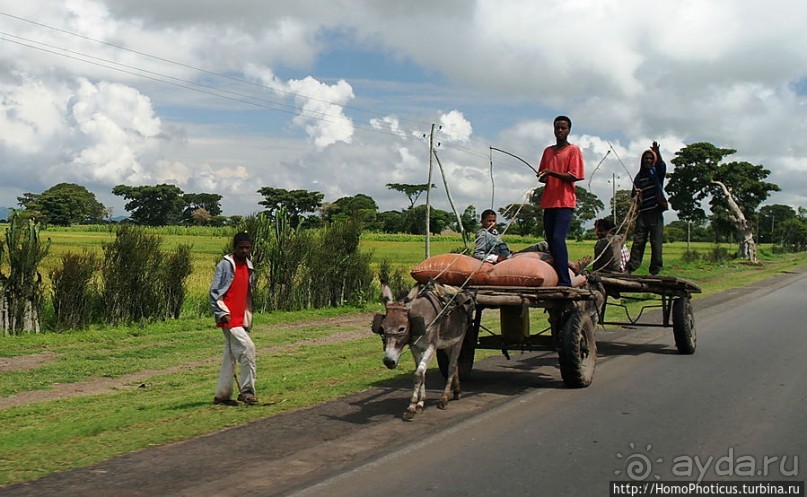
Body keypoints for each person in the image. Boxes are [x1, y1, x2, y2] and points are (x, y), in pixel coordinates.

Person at [209, 232, 258, 405]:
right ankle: (247, 392)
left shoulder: (249, 265)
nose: (244, 251)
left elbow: (246, 293)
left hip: (240, 317)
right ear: (234, 248)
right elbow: (214, 291)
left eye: (247, 247)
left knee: (230, 356)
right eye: (241, 247)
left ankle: (222, 396)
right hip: (228, 317)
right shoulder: (225, 265)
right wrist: (222, 312)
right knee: (248, 348)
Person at [537, 115, 585, 286]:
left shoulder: (573, 150)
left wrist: (552, 173)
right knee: (551, 242)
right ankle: (557, 276)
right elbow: (543, 176)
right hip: (549, 202)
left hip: (564, 202)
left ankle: (565, 281)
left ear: (568, 130)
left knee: (558, 238)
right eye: (557, 127)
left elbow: (575, 175)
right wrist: (543, 176)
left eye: (563, 128)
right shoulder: (548, 151)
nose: (559, 131)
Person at [627, 141, 667, 275]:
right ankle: (631, 267)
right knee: (638, 242)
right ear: (642, 160)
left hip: (655, 211)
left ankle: (655, 270)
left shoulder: (656, 173)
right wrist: (637, 194)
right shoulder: (639, 177)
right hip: (642, 214)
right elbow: (633, 196)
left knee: (656, 242)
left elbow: (662, 166)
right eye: (646, 158)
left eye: (651, 158)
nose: (648, 160)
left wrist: (657, 152)